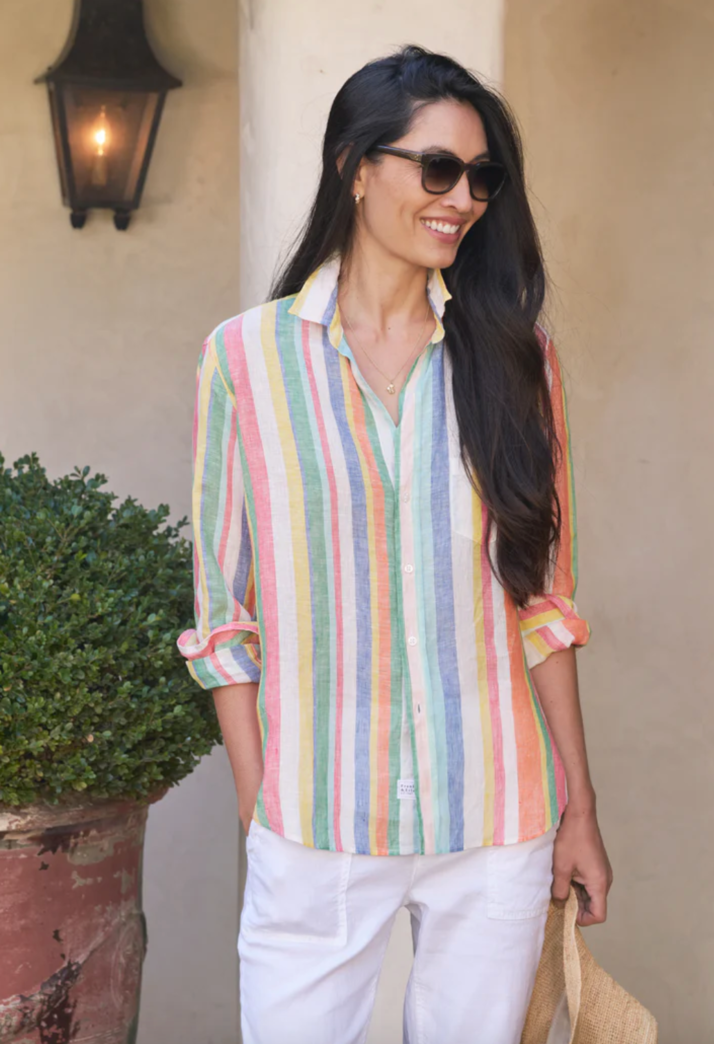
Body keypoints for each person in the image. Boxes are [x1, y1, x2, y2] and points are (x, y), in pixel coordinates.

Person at [178, 42, 612, 1044]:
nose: (461, 198)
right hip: (315, 816)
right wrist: (261, 805)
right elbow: (222, 614)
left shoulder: (516, 360)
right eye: (437, 168)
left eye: (481, 177)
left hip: (496, 819)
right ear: (354, 167)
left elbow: (543, 604)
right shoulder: (244, 360)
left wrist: (578, 811)